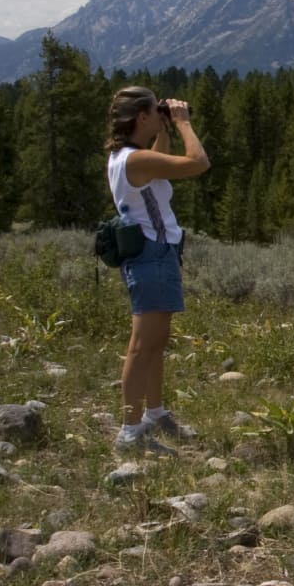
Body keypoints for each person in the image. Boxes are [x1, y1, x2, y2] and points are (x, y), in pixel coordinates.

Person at [104, 86, 210, 454]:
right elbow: (198, 163)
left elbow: (154, 170)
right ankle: (130, 432)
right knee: (141, 346)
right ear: (141, 116)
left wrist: (163, 131)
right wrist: (182, 124)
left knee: (155, 343)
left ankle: (154, 413)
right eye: (155, 111)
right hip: (151, 254)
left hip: (154, 252)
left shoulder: (128, 157)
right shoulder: (134, 160)